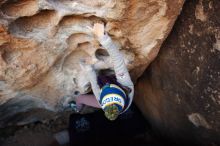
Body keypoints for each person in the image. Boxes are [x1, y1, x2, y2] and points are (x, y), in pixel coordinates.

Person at [75, 23, 134, 121]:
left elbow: (94, 84)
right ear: (122, 89)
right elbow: (118, 60)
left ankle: (78, 109)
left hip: (106, 99)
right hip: (117, 88)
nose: (107, 85)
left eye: (105, 89)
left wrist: (88, 69)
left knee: (80, 98)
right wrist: (103, 38)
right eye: (110, 87)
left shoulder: (101, 100)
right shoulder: (126, 84)